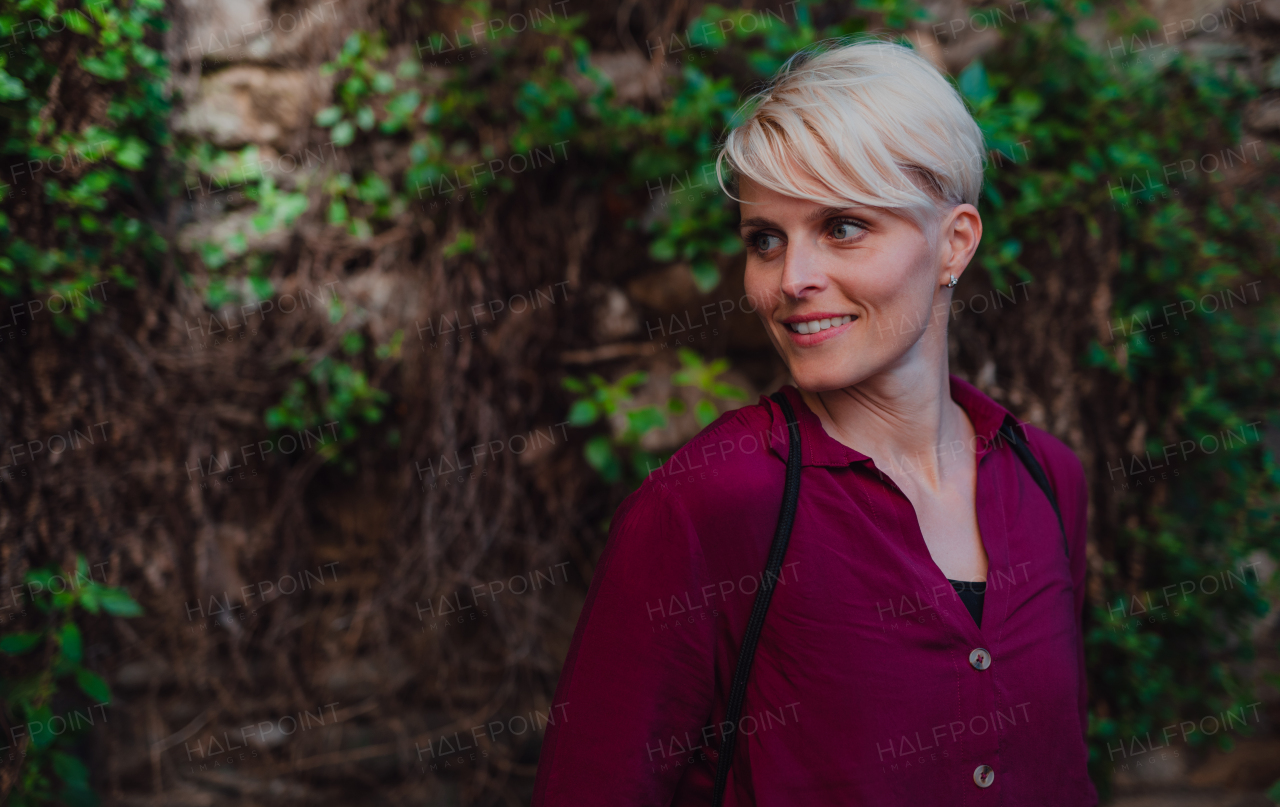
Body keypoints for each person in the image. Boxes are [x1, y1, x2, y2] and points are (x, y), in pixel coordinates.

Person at [532, 39, 1096, 806]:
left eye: (842, 227)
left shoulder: (1046, 478)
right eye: (766, 239)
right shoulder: (707, 505)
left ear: (954, 243)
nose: (791, 279)